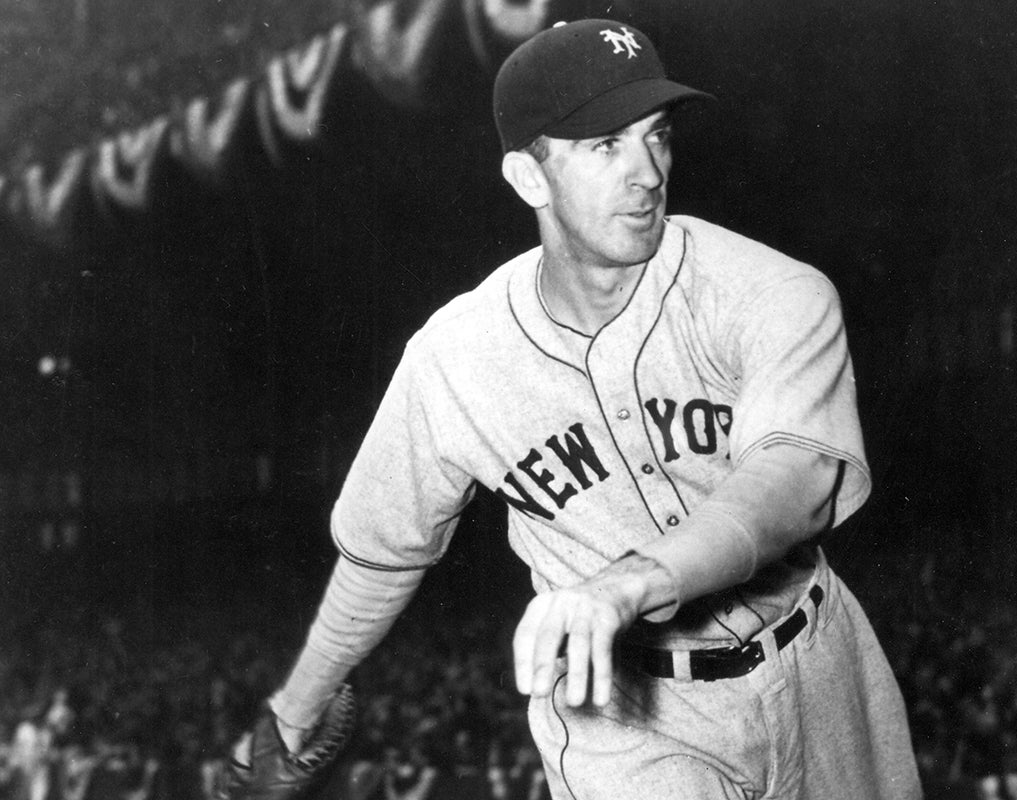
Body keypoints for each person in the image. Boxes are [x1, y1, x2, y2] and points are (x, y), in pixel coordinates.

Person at [263, 17, 921, 800]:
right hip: (624, 715)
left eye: (657, 135)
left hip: (820, 670)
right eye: (606, 146)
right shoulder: (454, 358)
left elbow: (798, 475)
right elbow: (381, 552)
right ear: (529, 179)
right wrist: (295, 711)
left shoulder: (770, 291)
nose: (648, 172)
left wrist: (629, 583)